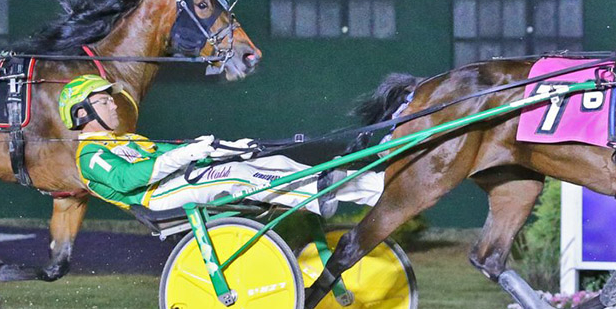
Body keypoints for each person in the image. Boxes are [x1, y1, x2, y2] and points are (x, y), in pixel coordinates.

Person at [58, 74, 381, 215]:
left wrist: (225, 147)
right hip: (155, 199)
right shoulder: (91, 156)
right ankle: (315, 196)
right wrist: (188, 154)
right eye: (103, 102)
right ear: (82, 113)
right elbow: (128, 179)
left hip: (178, 182)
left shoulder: (129, 139)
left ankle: (374, 188)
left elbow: (169, 154)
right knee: (237, 176)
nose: (113, 106)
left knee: (272, 164)